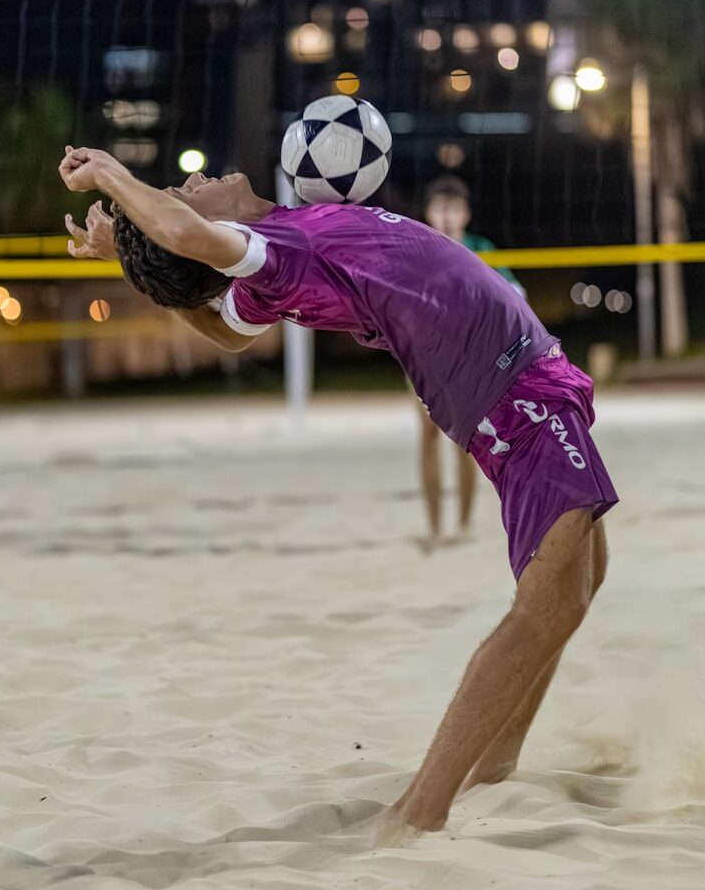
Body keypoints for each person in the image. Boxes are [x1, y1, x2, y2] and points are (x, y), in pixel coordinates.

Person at [60, 146, 617, 834]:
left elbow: (224, 330)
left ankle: (492, 770)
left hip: (518, 381)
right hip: (510, 391)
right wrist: (113, 176)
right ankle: (417, 812)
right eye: (183, 190)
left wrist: (125, 247)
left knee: (582, 580)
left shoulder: (278, 254)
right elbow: (181, 238)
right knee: (549, 603)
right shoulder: (271, 249)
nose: (195, 181)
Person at [417, 176, 526, 549]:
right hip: (425, 356)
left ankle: (462, 525)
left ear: (465, 213)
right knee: (429, 437)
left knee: (466, 439)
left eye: (453, 208)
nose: (446, 216)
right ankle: (434, 527)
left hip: (469, 358)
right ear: (429, 213)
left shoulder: (480, 249)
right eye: (440, 208)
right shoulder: (417, 248)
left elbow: (515, 292)